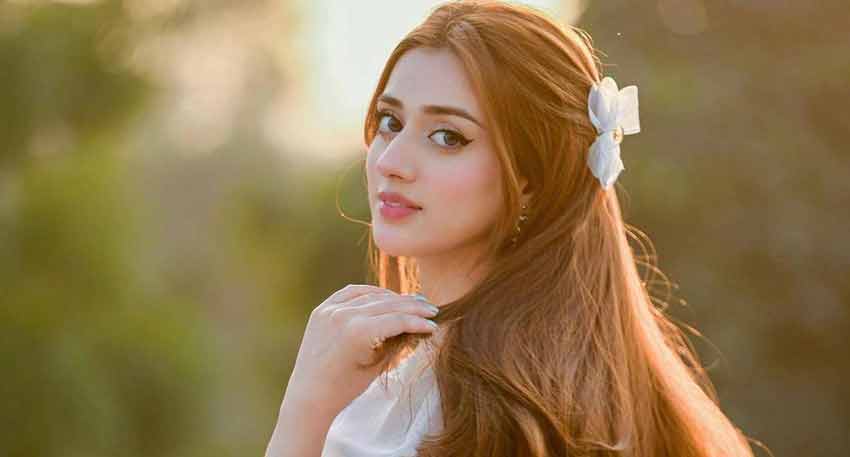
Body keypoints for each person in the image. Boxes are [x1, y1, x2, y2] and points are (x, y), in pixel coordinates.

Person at [265, 1, 768, 456]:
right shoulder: (565, 386)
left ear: (531, 180)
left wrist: (303, 414)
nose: (392, 161)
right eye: (390, 121)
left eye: (447, 137)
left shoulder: (500, 418)